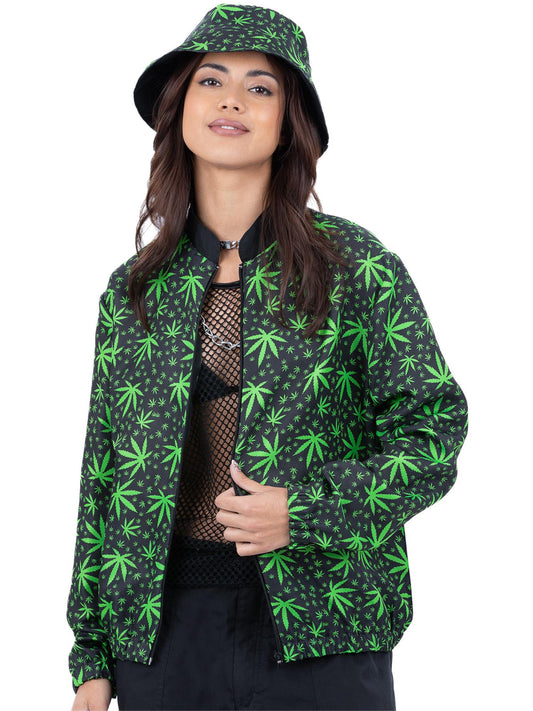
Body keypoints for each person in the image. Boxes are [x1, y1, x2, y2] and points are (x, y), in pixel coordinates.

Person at [66, 5, 468, 710]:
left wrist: (306, 511)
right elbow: (102, 475)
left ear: (290, 123)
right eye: (210, 80)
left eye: (260, 87)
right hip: (160, 639)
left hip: (324, 631)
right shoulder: (133, 292)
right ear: (178, 109)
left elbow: (433, 433)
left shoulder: (354, 265)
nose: (231, 100)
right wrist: (91, 655)